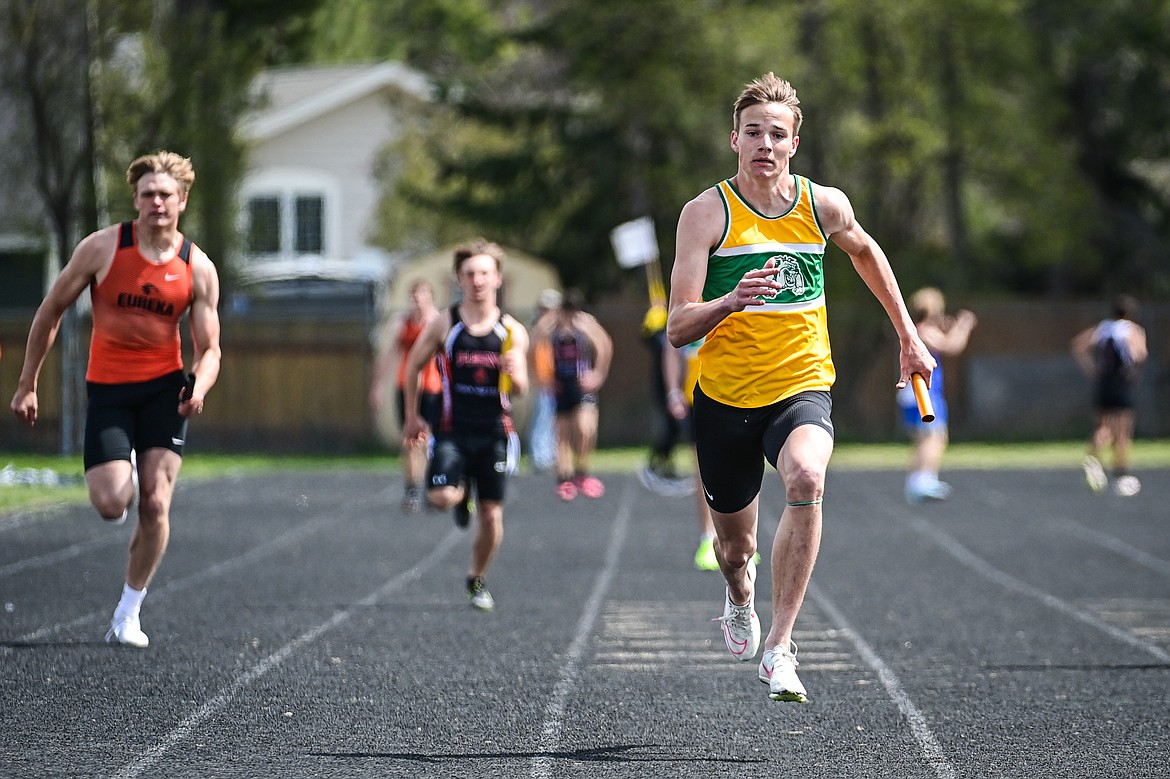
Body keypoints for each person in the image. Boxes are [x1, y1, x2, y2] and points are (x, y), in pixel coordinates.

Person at [667, 73, 934, 702]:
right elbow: (679, 326)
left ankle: (780, 646)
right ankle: (739, 599)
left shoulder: (823, 205)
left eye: (776, 134)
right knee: (736, 549)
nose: (764, 143)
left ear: (794, 142)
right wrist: (729, 301)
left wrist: (908, 335)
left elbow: (866, 253)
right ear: (734, 139)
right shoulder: (707, 213)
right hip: (726, 399)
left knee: (808, 478)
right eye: (753, 132)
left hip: (801, 385)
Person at [10, 150, 222, 648]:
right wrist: (27, 382)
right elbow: (51, 310)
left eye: (165, 194)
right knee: (111, 503)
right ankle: (120, 468)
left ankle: (129, 612)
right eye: (147, 194)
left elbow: (211, 348)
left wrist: (201, 386)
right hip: (108, 389)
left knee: (155, 502)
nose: (156, 202)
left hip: (164, 392)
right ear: (136, 199)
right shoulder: (103, 249)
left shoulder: (198, 267)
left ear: (182, 200)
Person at [401, 239, 529, 611]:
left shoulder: (511, 330)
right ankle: (461, 498)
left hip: (495, 433)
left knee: (492, 516)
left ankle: (477, 579)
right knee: (441, 498)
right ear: (459, 279)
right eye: (470, 274)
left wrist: (514, 373)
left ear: (497, 279)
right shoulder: (446, 323)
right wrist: (412, 415)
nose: (477, 281)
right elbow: (413, 366)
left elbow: (520, 387)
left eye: (484, 273)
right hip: (452, 429)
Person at [896, 287, 977, 504]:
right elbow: (952, 346)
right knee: (934, 436)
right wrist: (964, 325)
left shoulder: (917, 330)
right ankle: (922, 481)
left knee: (926, 438)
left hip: (920, 392)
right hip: (923, 394)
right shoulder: (922, 330)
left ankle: (919, 481)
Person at [532, 289, 613, 500]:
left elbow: (605, 346)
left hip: (581, 384)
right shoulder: (551, 326)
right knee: (563, 433)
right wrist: (541, 379)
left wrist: (598, 374)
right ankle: (564, 477)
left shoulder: (584, 324)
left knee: (586, 428)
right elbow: (532, 347)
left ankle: (582, 471)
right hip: (561, 384)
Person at [370, 279, 443, 513]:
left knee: (430, 440)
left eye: (421, 294)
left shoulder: (438, 323)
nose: (417, 299)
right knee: (410, 440)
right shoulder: (401, 324)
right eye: (413, 295)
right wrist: (377, 386)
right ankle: (412, 489)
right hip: (406, 386)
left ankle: (433, 486)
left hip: (432, 387)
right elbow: (388, 356)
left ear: (430, 296)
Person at [1070, 294, 1147, 497]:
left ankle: (1093, 459)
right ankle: (1121, 473)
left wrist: (1092, 368)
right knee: (1123, 428)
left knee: (1103, 425)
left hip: (1103, 383)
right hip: (1121, 383)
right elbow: (1140, 354)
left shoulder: (1103, 328)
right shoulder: (1132, 330)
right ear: (1130, 314)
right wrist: (1134, 371)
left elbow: (1078, 345)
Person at [661, 337, 719, 570]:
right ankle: (708, 538)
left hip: (738, 393)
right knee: (703, 470)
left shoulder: (740, 301)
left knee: (744, 465)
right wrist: (673, 392)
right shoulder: (692, 303)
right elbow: (672, 347)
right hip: (699, 396)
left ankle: (745, 537)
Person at [527, 288, 562, 473]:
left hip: (552, 381)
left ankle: (549, 455)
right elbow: (532, 352)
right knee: (542, 418)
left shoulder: (553, 331)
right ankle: (540, 456)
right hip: (542, 382)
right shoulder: (539, 328)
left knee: (552, 419)